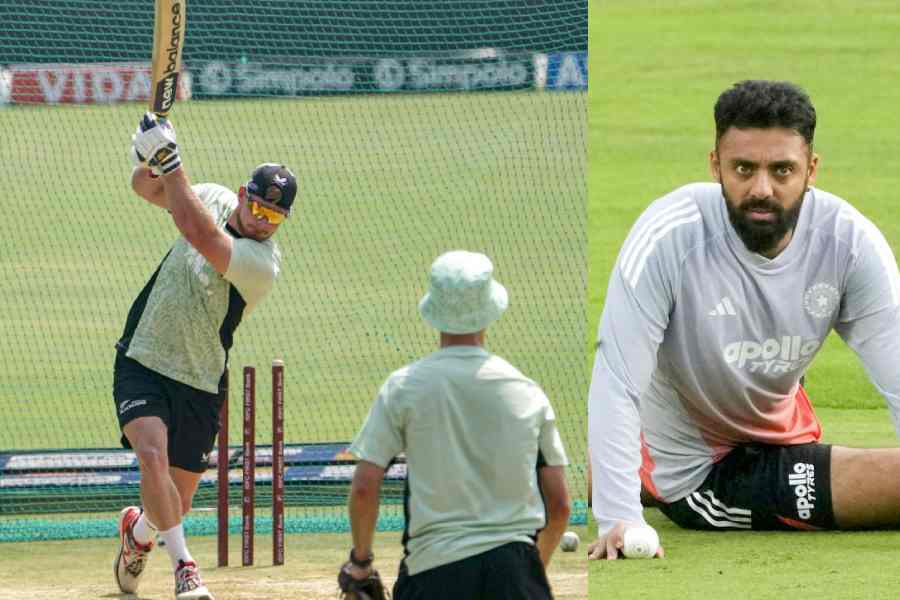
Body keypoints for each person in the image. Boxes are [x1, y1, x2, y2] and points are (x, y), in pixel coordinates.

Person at [587, 80, 900, 560]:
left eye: (782, 170)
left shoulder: (849, 242)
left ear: (811, 170)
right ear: (715, 165)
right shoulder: (670, 236)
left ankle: (633, 463)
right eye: (743, 169)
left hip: (782, 428)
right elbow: (617, 379)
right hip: (703, 472)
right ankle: (650, 475)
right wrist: (618, 517)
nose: (761, 189)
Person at [113, 113, 297, 599]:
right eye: (258, 207)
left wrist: (171, 159)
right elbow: (144, 188)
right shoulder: (211, 195)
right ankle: (186, 569)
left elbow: (200, 235)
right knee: (150, 457)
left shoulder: (262, 265)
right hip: (143, 357)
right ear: (241, 193)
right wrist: (149, 156)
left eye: (274, 218)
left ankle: (139, 535)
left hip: (199, 379)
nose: (262, 220)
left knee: (175, 500)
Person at [339, 250, 571, 599]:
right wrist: (530, 574)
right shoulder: (527, 392)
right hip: (517, 573)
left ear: (433, 312)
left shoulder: (404, 387)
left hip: (432, 573)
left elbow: (364, 487)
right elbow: (560, 505)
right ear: (490, 310)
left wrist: (361, 561)